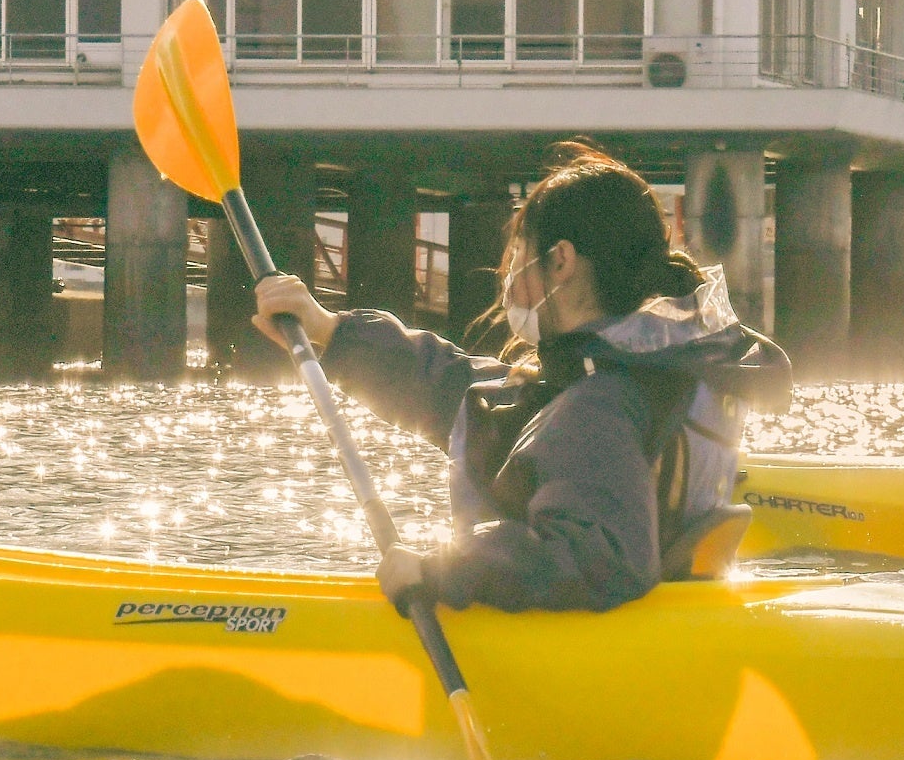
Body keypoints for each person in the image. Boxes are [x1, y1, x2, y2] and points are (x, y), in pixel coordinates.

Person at [252, 143, 791, 612]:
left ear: (560, 261)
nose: (508, 274)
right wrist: (332, 333)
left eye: (518, 254)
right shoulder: (634, 371)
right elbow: (464, 391)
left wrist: (440, 571)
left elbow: (599, 560)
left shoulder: (599, 405)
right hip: (671, 619)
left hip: (596, 658)